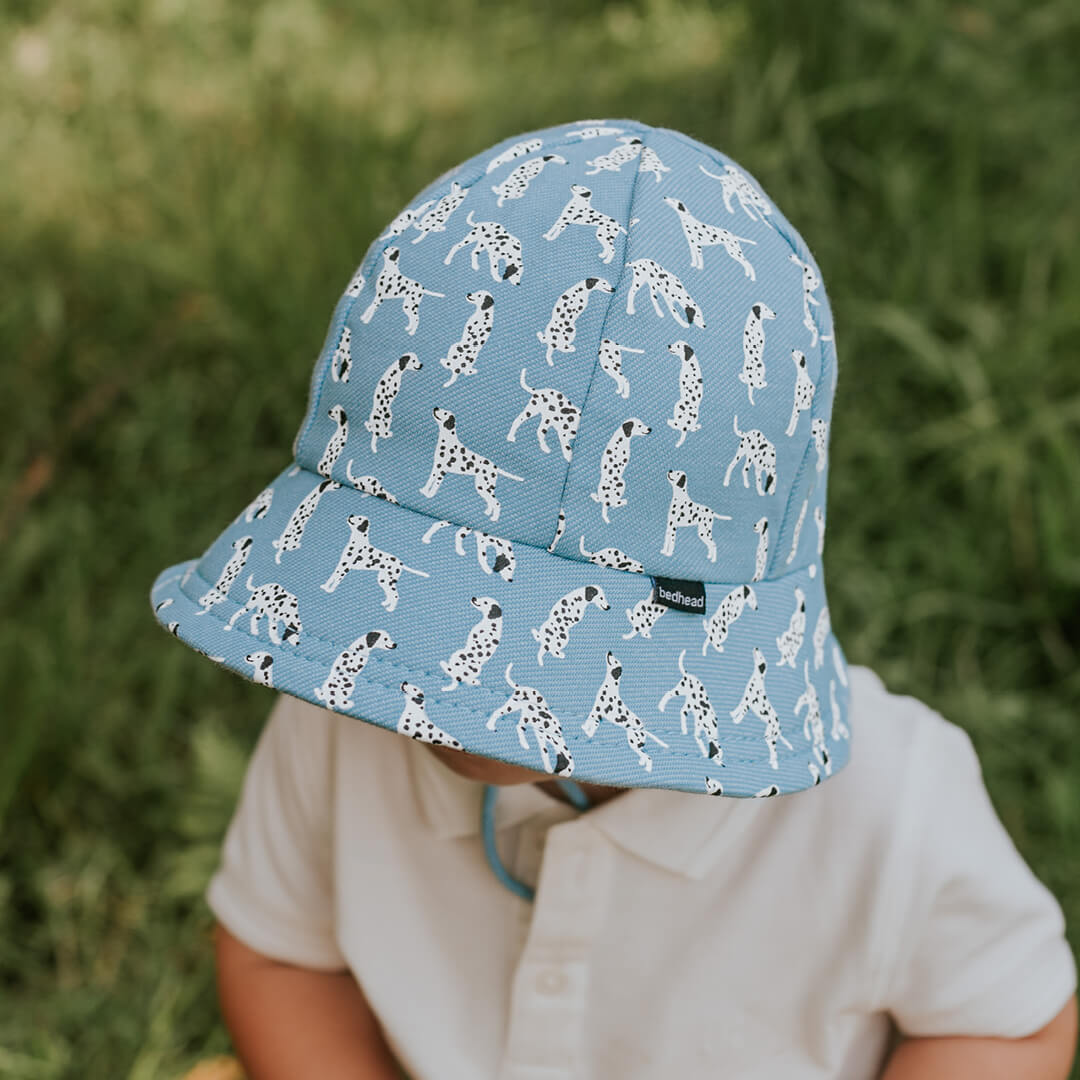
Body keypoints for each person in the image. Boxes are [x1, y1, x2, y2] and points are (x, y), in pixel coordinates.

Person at [150, 118, 1077, 1079]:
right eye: (427, 613)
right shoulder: (345, 712)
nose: (437, 679)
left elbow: (1006, 1021)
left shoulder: (889, 808)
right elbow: (276, 952)